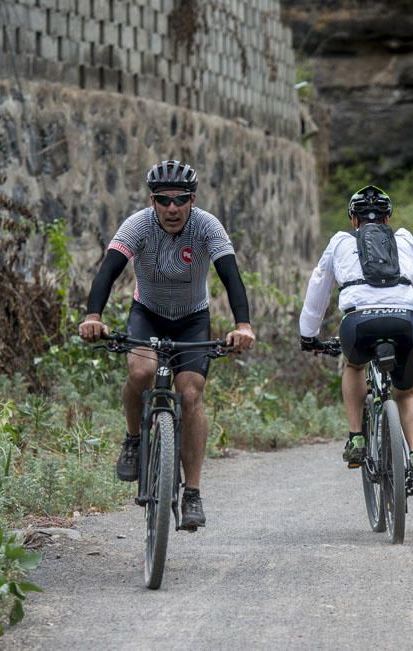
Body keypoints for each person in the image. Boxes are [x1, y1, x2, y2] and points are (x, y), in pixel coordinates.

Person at [78, 159, 256, 530]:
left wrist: (243, 325)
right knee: (140, 370)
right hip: (148, 312)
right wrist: (93, 316)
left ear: (193, 200)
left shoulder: (207, 227)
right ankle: (132, 439)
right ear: (152, 200)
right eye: (163, 200)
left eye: (181, 200)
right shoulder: (138, 225)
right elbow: (108, 271)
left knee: (190, 393)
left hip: (192, 318)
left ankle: (191, 492)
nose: (172, 208)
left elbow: (231, 277)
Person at [299, 185, 413, 499]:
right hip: (405, 322)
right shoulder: (405, 239)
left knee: (353, 365)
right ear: (388, 218)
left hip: (359, 323)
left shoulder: (340, 242)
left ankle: (356, 438)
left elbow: (318, 287)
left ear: (353, 220)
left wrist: (308, 335)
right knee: (406, 393)